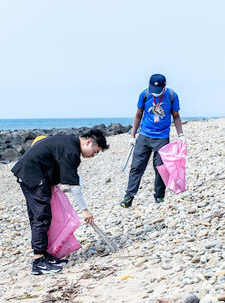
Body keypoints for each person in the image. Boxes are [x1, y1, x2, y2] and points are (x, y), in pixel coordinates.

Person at [12, 129, 109, 275]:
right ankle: (38, 262)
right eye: (95, 151)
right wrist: (84, 210)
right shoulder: (71, 151)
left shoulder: (69, 142)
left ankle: (44, 255)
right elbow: (73, 186)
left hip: (32, 173)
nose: (93, 156)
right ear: (88, 142)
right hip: (32, 175)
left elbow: (67, 178)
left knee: (42, 216)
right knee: (41, 217)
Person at [120, 74, 185, 208]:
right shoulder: (145, 94)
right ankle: (129, 196)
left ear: (164, 86)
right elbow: (138, 115)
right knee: (136, 167)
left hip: (162, 137)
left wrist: (181, 135)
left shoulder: (172, 96)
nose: (155, 93)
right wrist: (132, 136)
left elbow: (176, 116)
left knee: (160, 168)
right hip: (144, 136)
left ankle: (159, 196)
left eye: (158, 90)